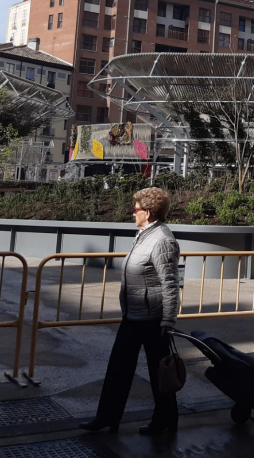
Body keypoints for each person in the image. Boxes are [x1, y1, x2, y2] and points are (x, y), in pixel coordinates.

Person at [80, 187, 181, 437]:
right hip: (133, 316)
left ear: (147, 212)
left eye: (135, 208)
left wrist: (168, 320)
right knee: (118, 369)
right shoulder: (145, 234)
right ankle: (107, 417)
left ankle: (165, 418)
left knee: (160, 374)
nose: (132, 212)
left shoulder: (162, 240)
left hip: (153, 320)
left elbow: (170, 284)